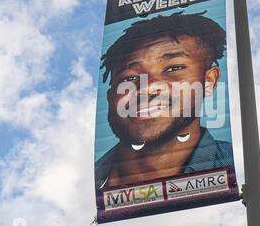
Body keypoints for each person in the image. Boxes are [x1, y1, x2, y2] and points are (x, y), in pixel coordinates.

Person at [95, 11, 233, 188]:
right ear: (110, 96)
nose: (147, 87)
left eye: (173, 68)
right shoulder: (85, 185)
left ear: (209, 81)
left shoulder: (237, 167)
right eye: (129, 78)